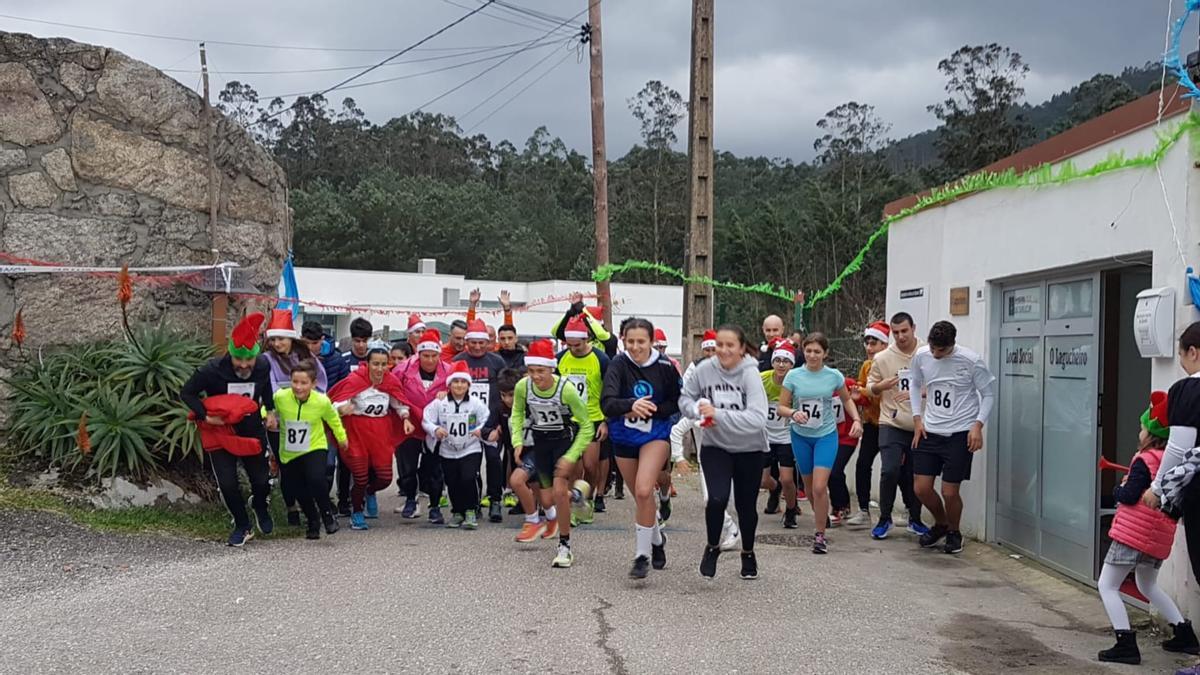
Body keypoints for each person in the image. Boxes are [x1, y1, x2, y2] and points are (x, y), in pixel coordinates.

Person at [1094, 391, 1197, 664]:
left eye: (1142, 427)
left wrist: (1118, 488)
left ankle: (1125, 642)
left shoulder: (1145, 460)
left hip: (1133, 533)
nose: (1138, 432)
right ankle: (1184, 634)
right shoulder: (1171, 462)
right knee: (1147, 584)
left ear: (1150, 434)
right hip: (1158, 536)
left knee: (1106, 585)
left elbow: (1129, 496)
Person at [681, 325, 769, 580]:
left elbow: (758, 418)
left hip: (749, 448)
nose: (724, 350)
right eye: (719, 345)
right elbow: (684, 398)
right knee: (716, 499)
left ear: (742, 349)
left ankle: (748, 552)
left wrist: (718, 414)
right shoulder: (704, 370)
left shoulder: (750, 374)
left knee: (745, 506)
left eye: (730, 345)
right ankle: (712, 546)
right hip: (715, 446)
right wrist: (697, 409)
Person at [181, 312, 275, 547]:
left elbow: (266, 390)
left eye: (248, 361)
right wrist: (205, 416)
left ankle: (260, 505)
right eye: (238, 360)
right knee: (228, 483)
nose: (244, 366)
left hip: (251, 430)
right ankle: (242, 525)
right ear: (230, 354)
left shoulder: (262, 365)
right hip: (221, 432)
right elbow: (187, 393)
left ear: (256, 357)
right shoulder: (212, 370)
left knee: (261, 480)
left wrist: (271, 411)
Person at [602, 318, 682, 579]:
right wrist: (630, 405)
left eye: (641, 342)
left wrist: (655, 409)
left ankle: (641, 555)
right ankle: (657, 541)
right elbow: (607, 403)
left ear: (651, 342)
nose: (636, 347)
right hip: (624, 436)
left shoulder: (665, 366)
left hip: (655, 435)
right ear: (623, 339)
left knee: (645, 489)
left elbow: (676, 402)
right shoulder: (618, 363)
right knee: (641, 499)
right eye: (631, 341)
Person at [909, 320, 995, 555]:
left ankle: (954, 531)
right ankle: (941, 523)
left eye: (942, 350)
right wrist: (917, 419)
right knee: (921, 488)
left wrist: (977, 426)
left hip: (959, 432)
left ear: (952, 345)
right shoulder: (922, 355)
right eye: (933, 348)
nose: (936, 354)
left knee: (950, 491)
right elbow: (915, 384)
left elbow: (988, 394)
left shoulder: (970, 360)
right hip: (930, 429)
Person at [1143, 322, 1200, 675]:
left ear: (1192, 352)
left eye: (1180, 354)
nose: (1180, 362)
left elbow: (1178, 446)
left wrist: (1158, 487)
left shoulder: (1188, 391)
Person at [777, 332, 862, 554]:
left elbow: (846, 400)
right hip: (800, 436)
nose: (812, 355)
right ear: (803, 351)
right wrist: (794, 412)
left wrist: (857, 420)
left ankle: (820, 535)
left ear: (825, 353)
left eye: (817, 351)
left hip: (825, 435)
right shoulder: (793, 376)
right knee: (809, 486)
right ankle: (820, 520)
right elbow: (781, 407)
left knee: (819, 486)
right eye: (808, 351)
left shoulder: (834, 376)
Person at [511, 340, 593, 567]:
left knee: (558, 491)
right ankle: (576, 496)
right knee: (547, 499)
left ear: (551, 368)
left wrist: (571, 456)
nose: (536, 376)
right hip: (541, 444)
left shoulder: (565, 389)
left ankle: (564, 546)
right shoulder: (522, 387)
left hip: (564, 442)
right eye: (531, 371)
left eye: (541, 371)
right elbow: (516, 413)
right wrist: (517, 441)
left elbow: (587, 426)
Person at [329, 347, 413, 530]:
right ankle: (357, 512)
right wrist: (342, 408)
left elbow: (398, 403)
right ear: (367, 364)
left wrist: (405, 418)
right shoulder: (355, 380)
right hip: (357, 430)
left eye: (384, 364)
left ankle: (369, 491)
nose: (380, 368)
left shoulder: (390, 381)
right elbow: (337, 402)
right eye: (375, 364)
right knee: (359, 475)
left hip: (379, 431)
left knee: (384, 478)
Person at [866, 312, 929, 540]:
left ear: (914, 328)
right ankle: (884, 518)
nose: (901, 336)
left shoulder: (928, 352)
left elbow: (941, 383)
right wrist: (881, 385)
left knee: (916, 474)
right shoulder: (882, 358)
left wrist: (922, 391)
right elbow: (870, 387)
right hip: (891, 421)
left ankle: (915, 518)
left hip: (919, 423)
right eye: (896, 333)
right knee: (890, 469)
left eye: (905, 331)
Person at [263, 310, 330, 523]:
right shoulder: (267, 359)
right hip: (279, 422)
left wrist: (310, 404)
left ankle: (312, 510)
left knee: (309, 469)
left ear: (290, 338)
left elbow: (321, 384)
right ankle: (291, 506)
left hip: (307, 422)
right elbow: (270, 388)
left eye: (280, 338)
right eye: (272, 339)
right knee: (287, 468)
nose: (276, 343)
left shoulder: (307, 357)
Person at [272, 360, 348, 540]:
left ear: (313, 384)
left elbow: (333, 419)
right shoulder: (281, 397)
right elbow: (265, 408)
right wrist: (266, 416)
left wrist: (342, 437)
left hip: (315, 446)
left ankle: (327, 515)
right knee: (298, 488)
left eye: (304, 383)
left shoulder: (321, 401)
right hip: (289, 451)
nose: (298, 387)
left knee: (316, 479)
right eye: (295, 382)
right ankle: (313, 520)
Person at [452, 319, 509, 522]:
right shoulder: (458, 360)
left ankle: (495, 500)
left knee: (494, 460)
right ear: (467, 342)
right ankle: (472, 502)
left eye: (481, 342)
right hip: (466, 423)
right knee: (470, 465)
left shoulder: (497, 362)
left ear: (488, 343)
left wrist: (500, 425)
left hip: (491, 423)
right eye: (473, 342)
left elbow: (505, 394)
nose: (477, 346)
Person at [556, 315, 611, 522]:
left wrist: (606, 420)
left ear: (586, 339)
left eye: (577, 345)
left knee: (590, 466)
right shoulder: (561, 358)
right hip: (569, 419)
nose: (573, 349)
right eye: (569, 345)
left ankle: (585, 499)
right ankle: (572, 506)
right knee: (573, 466)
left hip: (593, 418)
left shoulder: (600, 359)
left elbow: (609, 390)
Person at [423, 361, 490, 529]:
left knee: (468, 478)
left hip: (470, 448)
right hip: (448, 449)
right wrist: (436, 429)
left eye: (463, 382)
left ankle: (470, 510)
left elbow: (486, 417)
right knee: (452, 481)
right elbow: (427, 418)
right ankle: (457, 511)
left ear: (468, 385)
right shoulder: (440, 403)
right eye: (455, 381)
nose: (459, 385)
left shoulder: (475, 403)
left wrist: (480, 430)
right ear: (449, 384)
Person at [393, 328, 451, 524]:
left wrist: (449, 395)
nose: (429, 360)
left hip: (435, 428)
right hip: (409, 423)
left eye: (434, 355)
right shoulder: (403, 369)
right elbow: (393, 391)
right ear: (419, 353)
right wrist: (403, 415)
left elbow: (464, 390)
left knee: (434, 470)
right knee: (407, 468)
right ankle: (410, 499)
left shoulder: (449, 371)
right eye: (425, 355)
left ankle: (434, 507)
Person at [847, 322, 888, 527]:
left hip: (891, 423)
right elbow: (866, 395)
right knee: (863, 464)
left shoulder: (890, 364)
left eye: (875, 343)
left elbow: (879, 392)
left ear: (885, 345)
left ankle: (909, 510)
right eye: (867, 342)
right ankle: (863, 510)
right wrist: (858, 395)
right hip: (872, 422)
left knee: (895, 469)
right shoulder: (866, 366)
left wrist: (862, 392)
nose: (870, 347)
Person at [762, 338, 801, 529]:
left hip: (787, 435)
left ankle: (791, 510)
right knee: (763, 480)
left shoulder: (797, 381)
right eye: (778, 360)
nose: (781, 364)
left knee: (787, 478)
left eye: (786, 361)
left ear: (792, 364)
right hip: (766, 436)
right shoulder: (763, 379)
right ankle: (775, 490)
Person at [827, 377, 862, 527]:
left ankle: (839, 506)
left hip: (847, 437)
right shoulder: (813, 386)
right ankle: (842, 504)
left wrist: (856, 400)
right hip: (827, 436)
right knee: (829, 471)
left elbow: (865, 400)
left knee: (835, 470)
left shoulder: (847, 383)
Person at [553, 292, 617, 357]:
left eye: (584, 322)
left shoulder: (609, 340)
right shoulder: (577, 338)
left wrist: (581, 310)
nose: (581, 324)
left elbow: (600, 333)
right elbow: (555, 332)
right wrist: (570, 313)